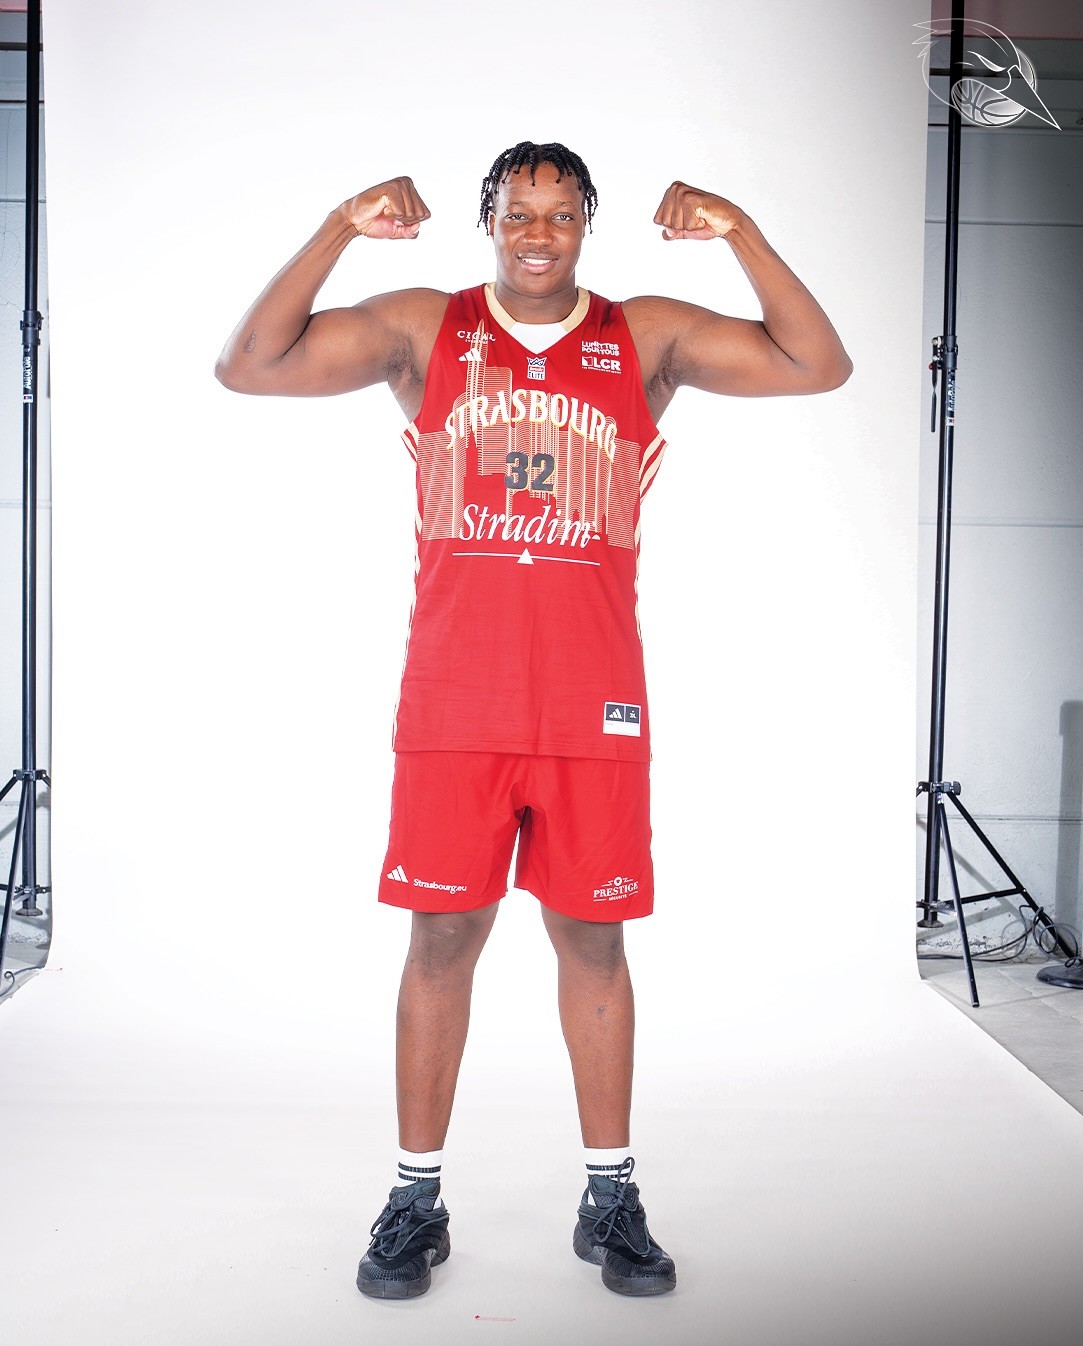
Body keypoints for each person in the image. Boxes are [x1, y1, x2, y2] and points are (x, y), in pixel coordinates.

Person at [215, 141, 851, 1301]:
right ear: (491, 221)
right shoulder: (429, 327)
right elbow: (250, 363)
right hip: (456, 700)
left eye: (560, 213)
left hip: (592, 706)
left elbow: (819, 362)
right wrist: (341, 223)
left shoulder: (641, 336)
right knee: (441, 939)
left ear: (586, 223)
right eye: (519, 212)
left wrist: (741, 230)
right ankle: (415, 1196)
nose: (539, 233)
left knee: (595, 943)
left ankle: (611, 1196)